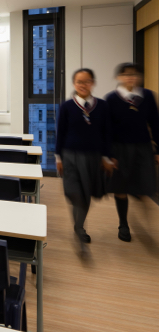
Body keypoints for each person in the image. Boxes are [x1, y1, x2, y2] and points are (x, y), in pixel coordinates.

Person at [56, 68, 114, 252]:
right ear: (74, 84)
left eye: (87, 81)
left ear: (93, 83)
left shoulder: (103, 106)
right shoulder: (67, 106)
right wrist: (58, 158)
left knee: (86, 195)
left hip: (93, 157)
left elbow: (107, 134)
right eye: (79, 82)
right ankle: (79, 228)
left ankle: (78, 227)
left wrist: (107, 158)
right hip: (70, 156)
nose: (83, 85)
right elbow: (61, 134)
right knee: (75, 193)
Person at [105, 63, 159, 242]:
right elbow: (107, 129)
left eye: (134, 74)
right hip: (119, 149)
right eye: (126, 74)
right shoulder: (112, 98)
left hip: (143, 148)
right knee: (120, 187)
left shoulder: (147, 96)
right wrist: (109, 153)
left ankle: (137, 197)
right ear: (119, 77)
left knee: (146, 186)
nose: (131, 77)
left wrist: (157, 149)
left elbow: (156, 124)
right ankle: (123, 224)